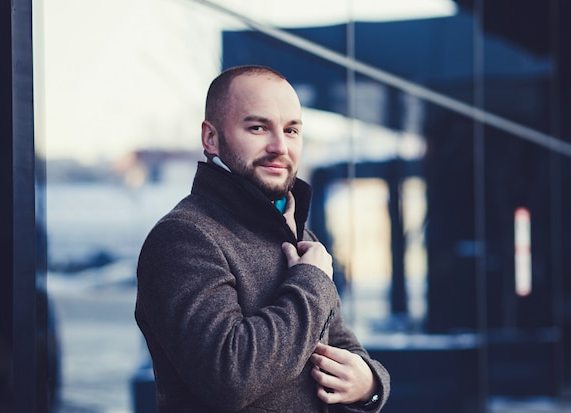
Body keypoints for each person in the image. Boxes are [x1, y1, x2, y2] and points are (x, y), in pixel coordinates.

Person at [135, 65, 390, 412]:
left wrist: (369, 385)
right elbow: (230, 377)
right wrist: (311, 282)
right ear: (211, 138)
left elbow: (343, 350)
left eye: (291, 130)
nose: (279, 146)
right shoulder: (184, 238)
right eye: (258, 127)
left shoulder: (301, 238)